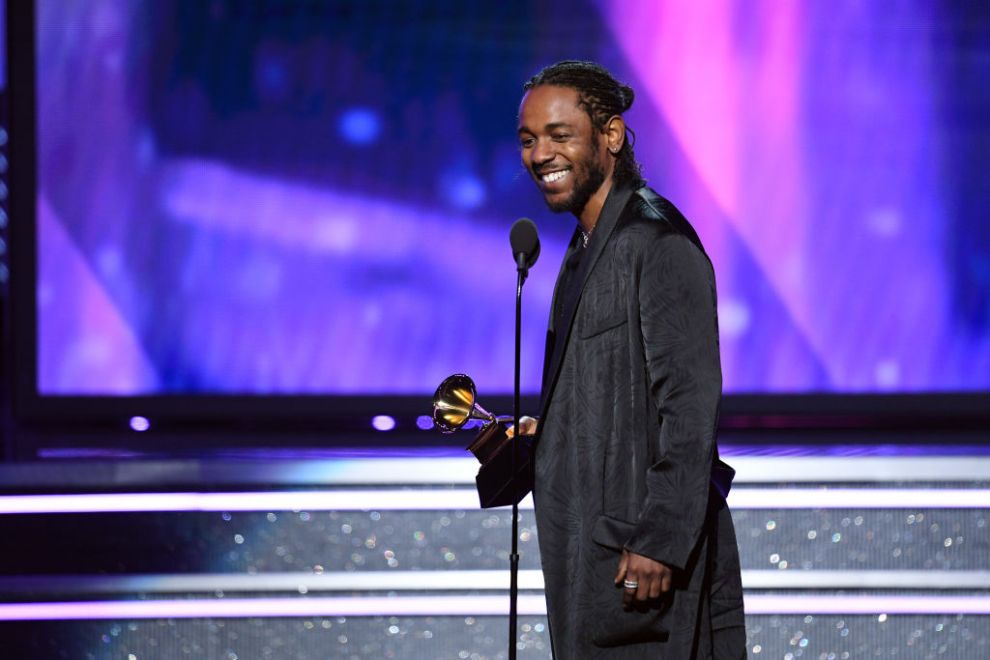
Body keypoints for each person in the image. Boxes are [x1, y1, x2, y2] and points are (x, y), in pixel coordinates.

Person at [512, 61, 746, 658]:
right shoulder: (587, 245)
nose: (541, 154)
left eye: (560, 135)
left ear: (610, 136)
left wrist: (661, 542)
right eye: (529, 139)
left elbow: (689, 409)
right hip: (590, 560)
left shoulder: (657, 243)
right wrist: (551, 430)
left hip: (642, 573)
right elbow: (612, 391)